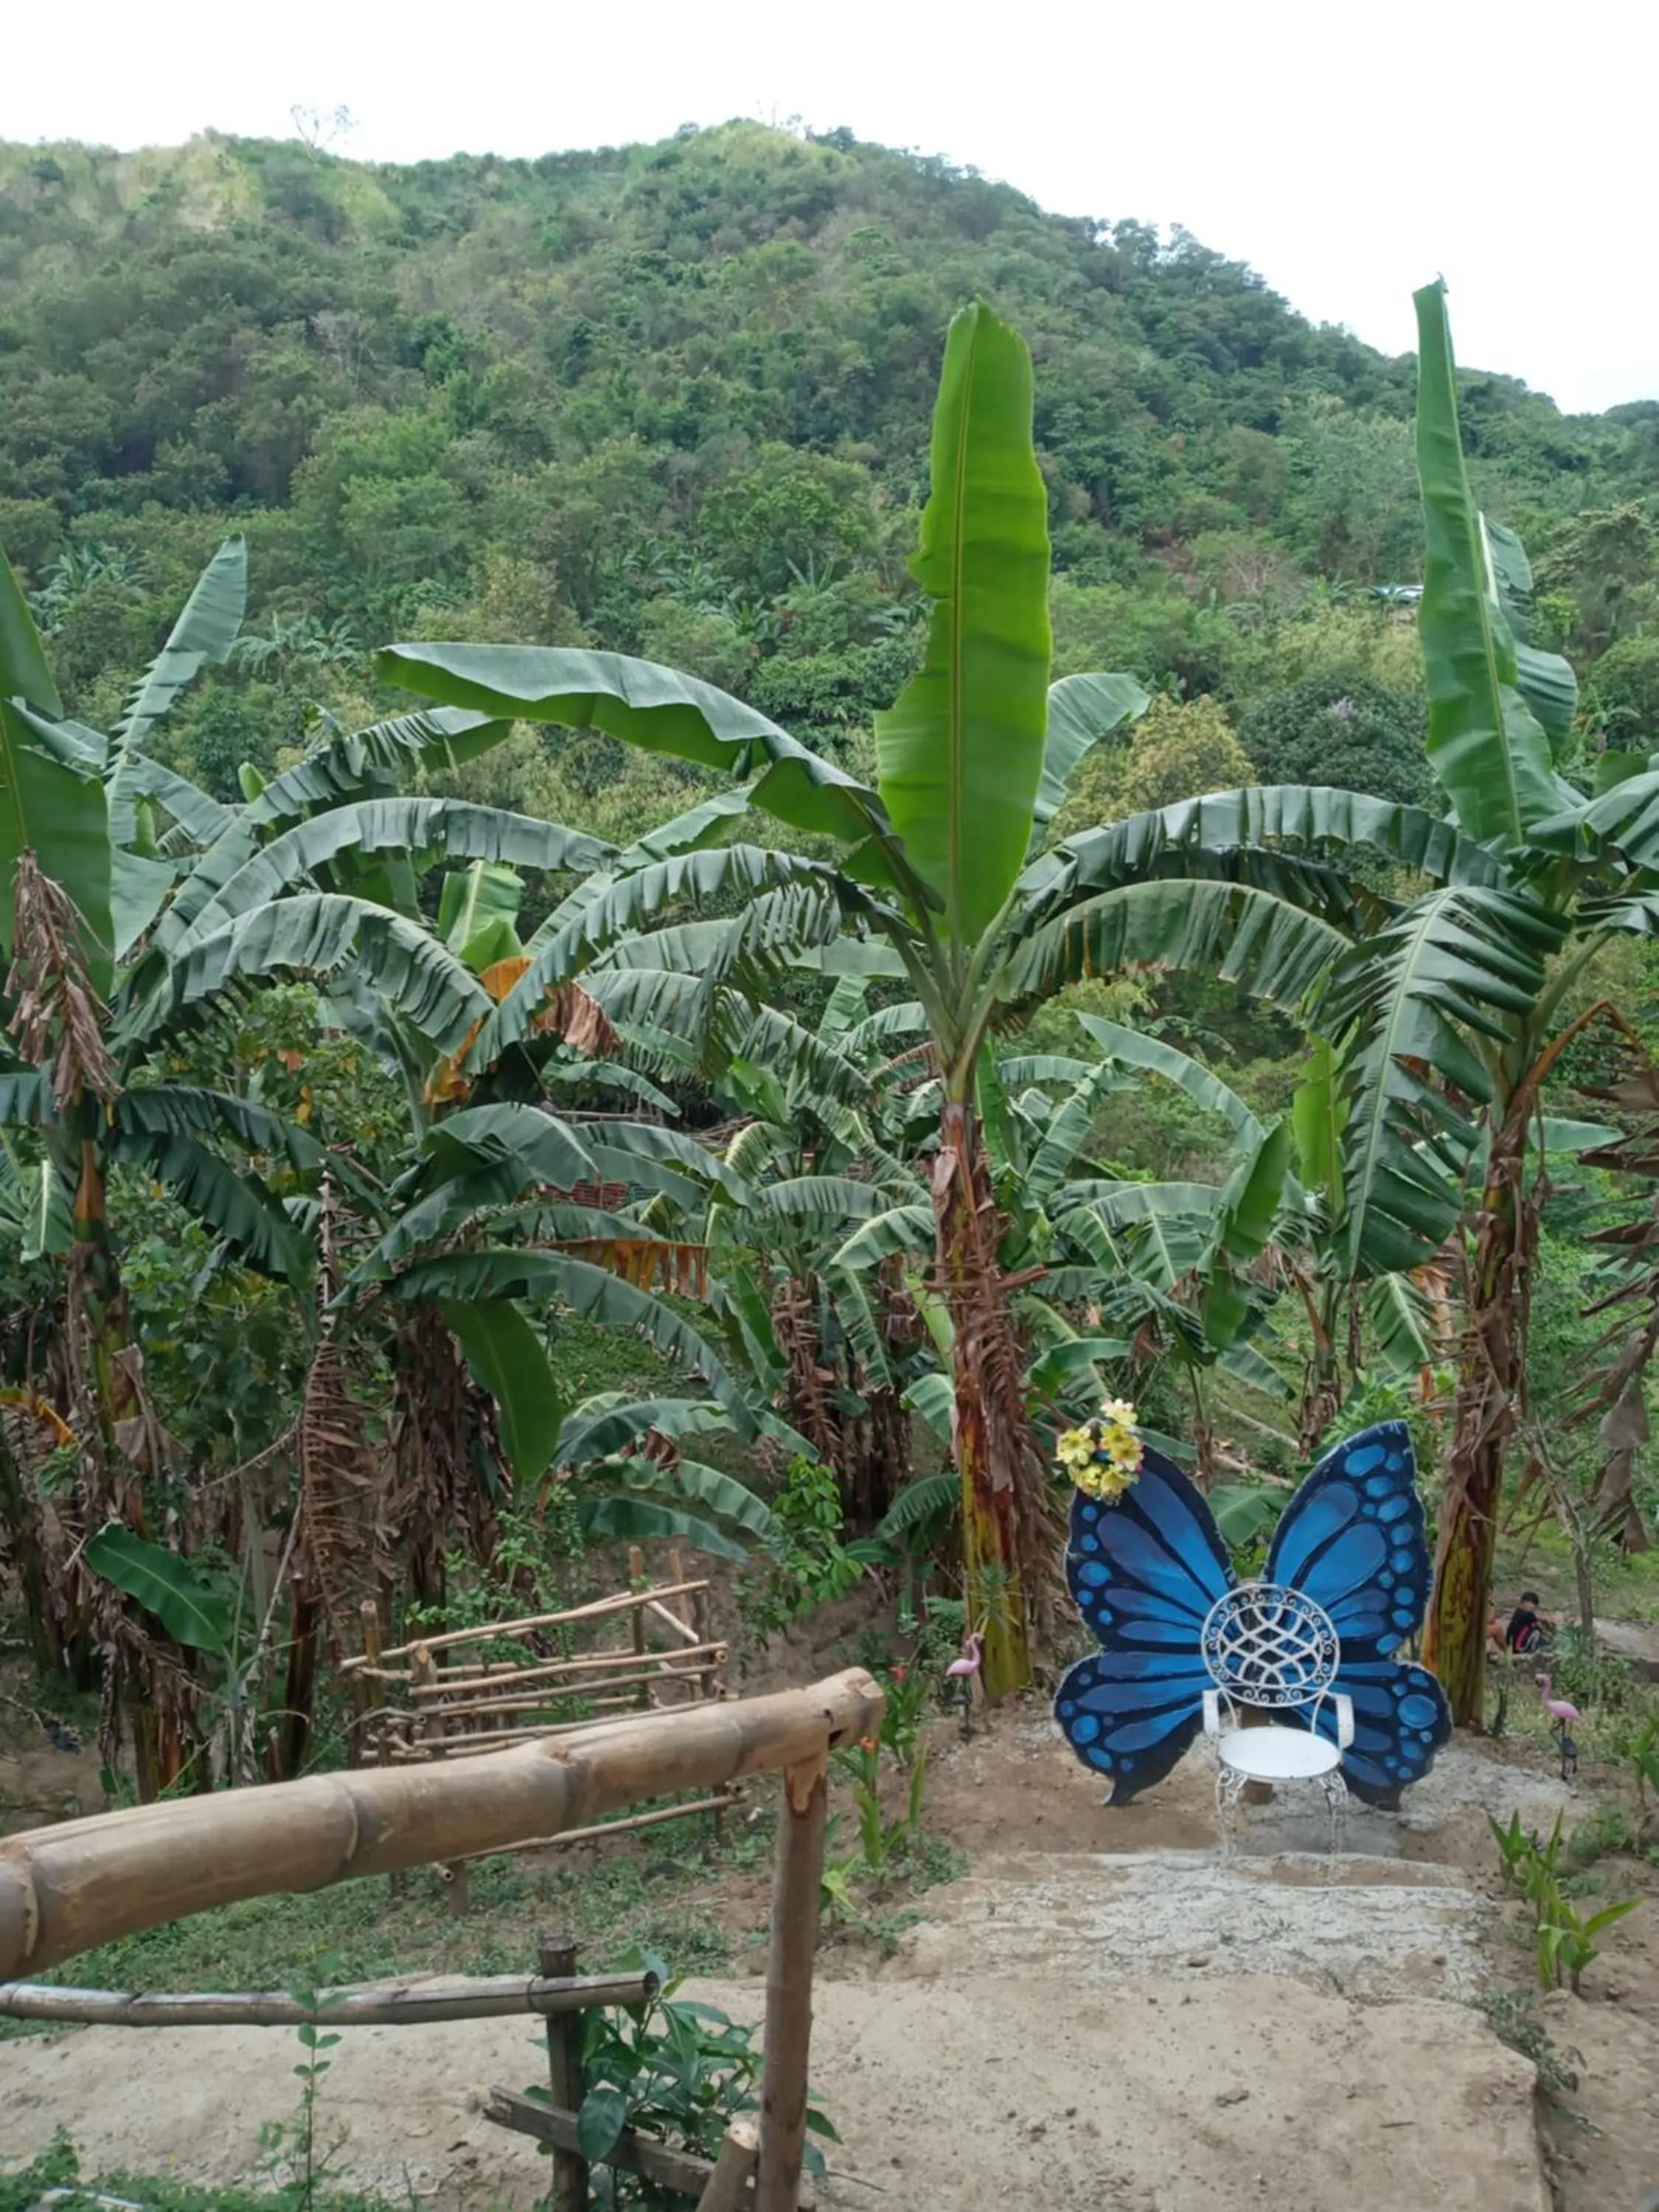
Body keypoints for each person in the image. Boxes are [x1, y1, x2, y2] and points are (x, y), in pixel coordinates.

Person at [1504, 1591, 1552, 1655]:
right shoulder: (1529, 1615)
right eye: (1530, 1603)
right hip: (1519, 1648)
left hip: (1512, 1647)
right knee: (1537, 1632)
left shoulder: (1518, 1612)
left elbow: (1537, 1619)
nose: (1531, 1606)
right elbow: (1541, 1626)